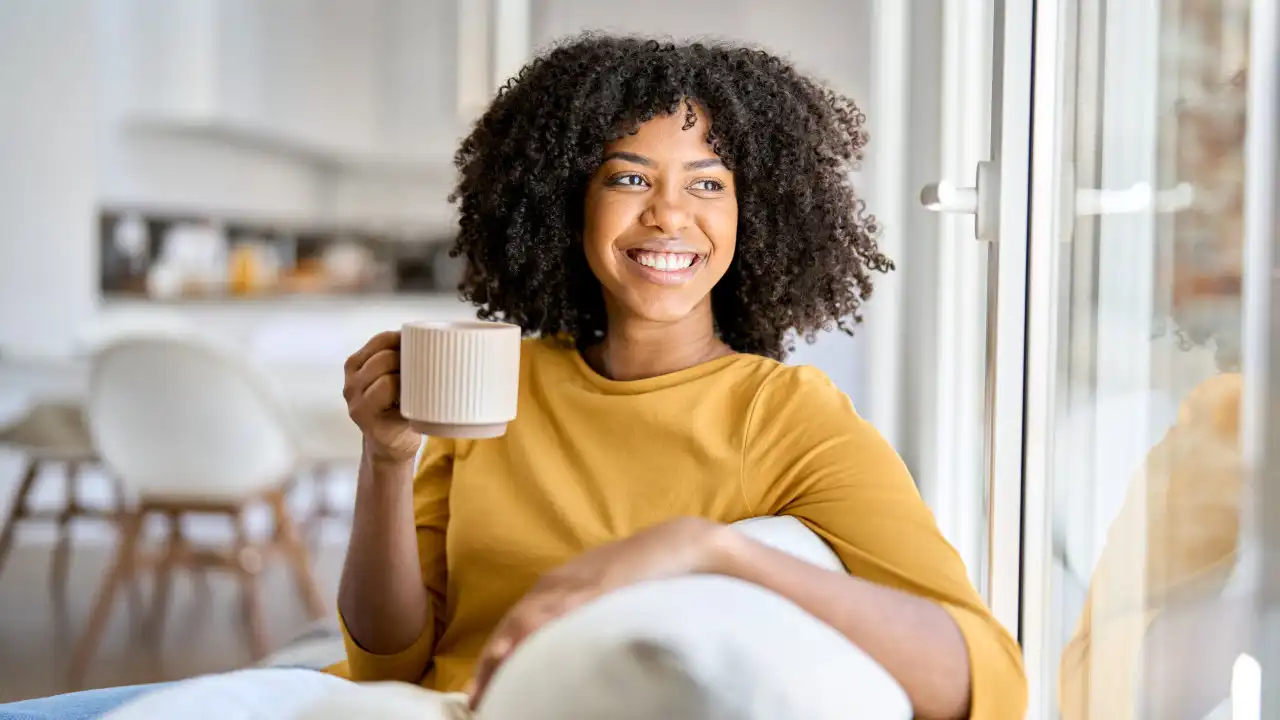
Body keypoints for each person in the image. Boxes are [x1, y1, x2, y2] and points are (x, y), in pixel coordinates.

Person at [0, 34, 1025, 720]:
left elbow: (985, 677)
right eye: (627, 179)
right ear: (560, 204)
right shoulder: (502, 384)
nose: (668, 217)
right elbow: (391, 654)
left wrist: (718, 553)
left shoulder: (786, 415)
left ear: (754, 219)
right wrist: (387, 459)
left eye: (706, 185)